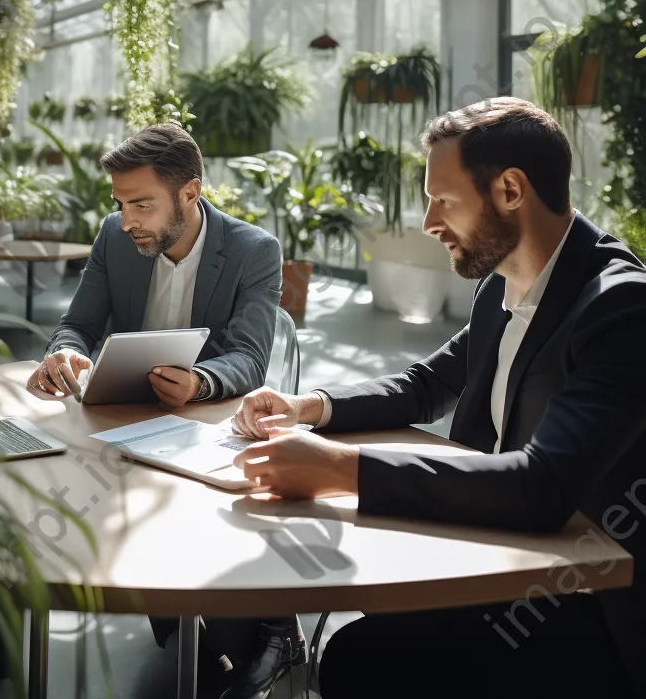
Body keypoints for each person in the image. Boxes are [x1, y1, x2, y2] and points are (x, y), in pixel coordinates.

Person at [231, 97, 646, 698]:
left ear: (510, 191)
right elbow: (427, 386)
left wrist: (338, 468)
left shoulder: (619, 308)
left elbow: (543, 486)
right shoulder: (504, 284)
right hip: (499, 559)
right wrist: (309, 407)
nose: (429, 221)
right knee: (371, 619)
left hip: (584, 607)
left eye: (443, 200)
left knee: (360, 658)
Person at [27, 123, 303, 698]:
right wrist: (66, 352)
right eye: (122, 204)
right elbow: (77, 324)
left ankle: (272, 628)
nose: (128, 220)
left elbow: (250, 359)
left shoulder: (254, 250)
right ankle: (200, 618)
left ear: (190, 192)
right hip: (123, 420)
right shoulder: (113, 237)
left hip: (205, 422)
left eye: (142, 204)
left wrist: (201, 382)